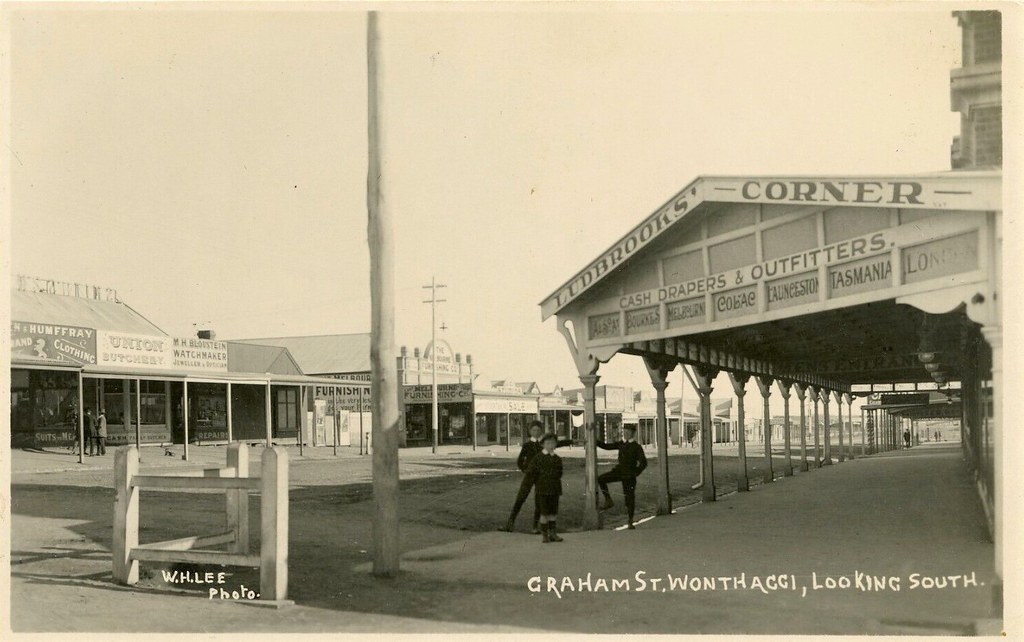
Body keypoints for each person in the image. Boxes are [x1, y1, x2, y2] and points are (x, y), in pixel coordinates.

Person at [504, 420, 571, 533]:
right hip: (530, 475)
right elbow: (520, 461)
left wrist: (573, 441)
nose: (536, 432)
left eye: (538, 430)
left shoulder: (544, 443)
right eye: (534, 430)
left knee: (539, 500)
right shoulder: (527, 445)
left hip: (541, 477)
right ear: (530, 431)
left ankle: (535, 527)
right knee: (521, 497)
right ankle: (510, 523)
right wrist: (525, 470)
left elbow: (559, 443)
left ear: (541, 431)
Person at [597, 425, 648, 529]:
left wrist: (635, 473)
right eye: (624, 432)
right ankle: (608, 500)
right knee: (601, 479)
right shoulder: (621, 444)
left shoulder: (636, 447)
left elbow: (643, 463)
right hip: (619, 471)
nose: (625, 434)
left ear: (632, 433)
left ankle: (630, 520)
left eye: (628, 432)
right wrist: (594, 441)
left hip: (629, 475)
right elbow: (607, 446)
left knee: (629, 497)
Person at [522, 433, 564, 543]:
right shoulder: (538, 458)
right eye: (548, 443)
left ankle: (553, 533)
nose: (550, 445)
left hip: (554, 489)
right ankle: (545, 535)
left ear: (555, 444)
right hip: (542, 490)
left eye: (552, 443)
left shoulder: (557, 459)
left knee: (553, 513)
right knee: (544, 513)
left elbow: (560, 473)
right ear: (543, 444)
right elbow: (532, 472)